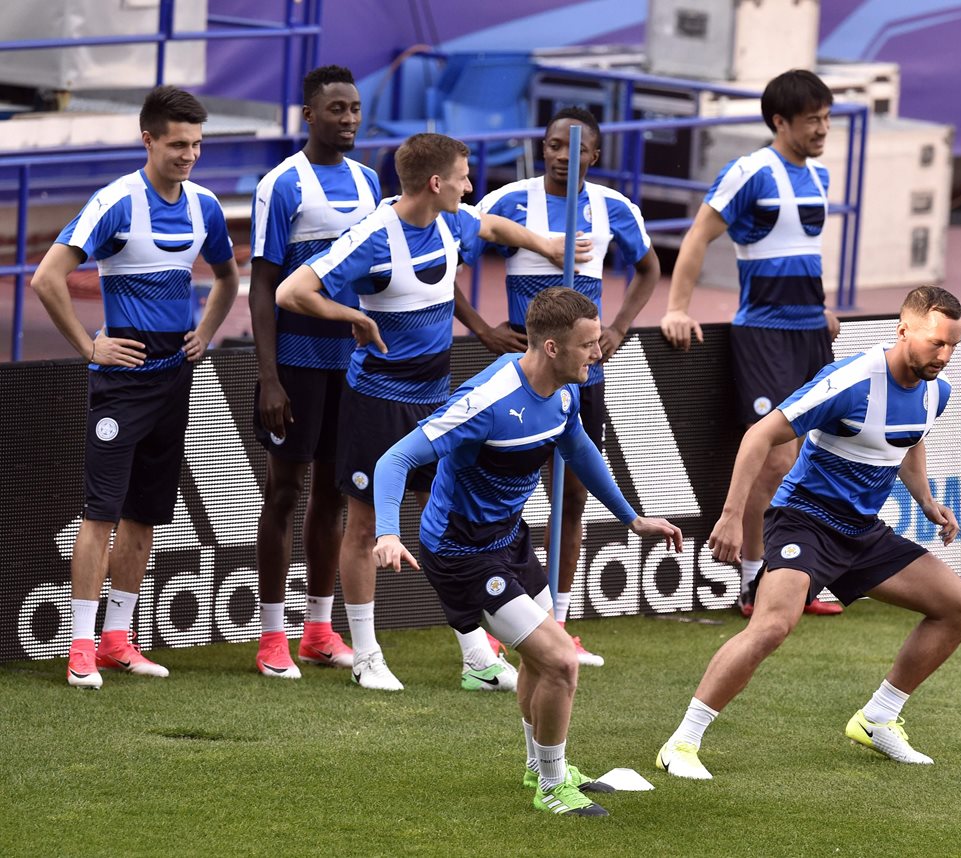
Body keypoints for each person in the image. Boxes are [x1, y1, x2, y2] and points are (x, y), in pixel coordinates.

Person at [276, 133, 588, 692]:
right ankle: (368, 656)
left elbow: (492, 228)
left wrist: (545, 245)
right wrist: (355, 315)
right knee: (367, 524)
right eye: (465, 178)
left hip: (436, 398)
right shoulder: (373, 235)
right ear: (436, 183)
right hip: (376, 402)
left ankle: (475, 655)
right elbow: (291, 291)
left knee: (441, 523)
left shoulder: (454, 220)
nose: (472, 188)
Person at [372, 287, 683, 816]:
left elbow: (578, 449)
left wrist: (632, 516)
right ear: (554, 349)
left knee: (541, 662)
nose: (599, 352)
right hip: (461, 552)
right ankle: (553, 786)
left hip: (508, 541)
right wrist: (386, 532)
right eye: (589, 344)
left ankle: (540, 769)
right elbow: (394, 460)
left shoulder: (565, 392)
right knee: (562, 661)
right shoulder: (486, 401)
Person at [658, 286, 961, 778]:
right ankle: (681, 743)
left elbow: (910, 443)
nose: (945, 355)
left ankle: (877, 719)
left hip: (862, 532)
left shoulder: (937, 390)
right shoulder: (851, 380)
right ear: (903, 331)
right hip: (804, 521)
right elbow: (760, 434)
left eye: (953, 346)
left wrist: (927, 500)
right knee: (772, 625)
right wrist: (730, 514)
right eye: (937, 343)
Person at [30, 86, 239, 688]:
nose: (189, 155)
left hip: (178, 374)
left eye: (197, 144)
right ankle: (81, 646)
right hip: (122, 380)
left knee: (147, 514)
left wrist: (206, 330)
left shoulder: (203, 205)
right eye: (177, 144)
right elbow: (48, 278)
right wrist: (89, 346)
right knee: (101, 514)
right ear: (147, 139)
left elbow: (227, 278)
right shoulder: (116, 201)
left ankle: (120, 641)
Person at [476, 106, 661, 666]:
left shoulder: (613, 208)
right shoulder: (508, 201)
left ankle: (558, 622)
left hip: (585, 380)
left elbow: (648, 268)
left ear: (593, 155)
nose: (562, 155)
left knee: (573, 498)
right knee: (498, 501)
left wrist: (621, 327)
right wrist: (483, 326)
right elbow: (457, 247)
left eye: (574, 148)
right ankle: (495, 624)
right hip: (519, 382)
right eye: (553, 145)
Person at [659, 69, 843, 618]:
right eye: (813, 120)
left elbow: (802, 249)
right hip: (763, 333)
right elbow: (697, 235)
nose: (823, 129)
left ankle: (793, 577)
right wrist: (675, 308)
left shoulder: (820, 177)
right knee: (777, 459)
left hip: (810, 332)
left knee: (814, 461)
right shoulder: (750, 171)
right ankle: (751, 584)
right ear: (780, 121)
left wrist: (822, 305)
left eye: (827, 118)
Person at [248, 65, 381, 680]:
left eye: (354, 108)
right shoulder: (281, 185)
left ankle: (318, 630)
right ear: (309, 114)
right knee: (283, 494)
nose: (349, 118)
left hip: (351, 370)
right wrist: (269, 377)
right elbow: (263, 287)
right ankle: (272, 636)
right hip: (296, 369)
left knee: (334, 497)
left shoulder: (371, 182)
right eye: (336, 109)